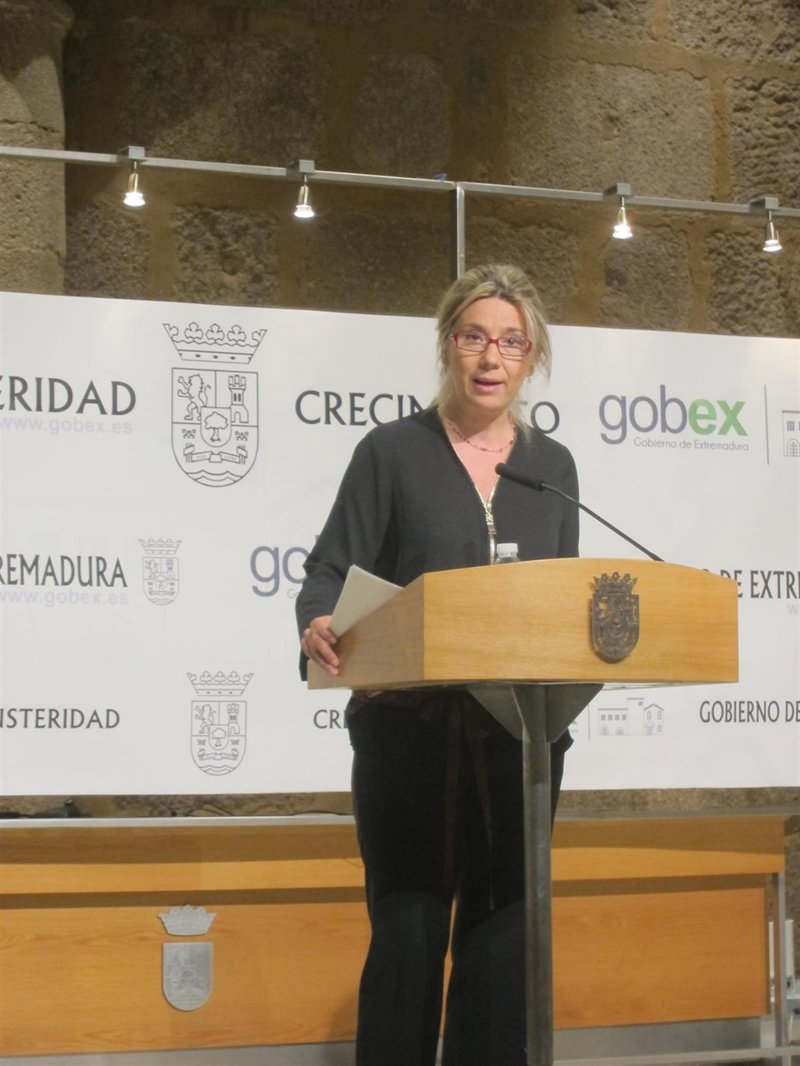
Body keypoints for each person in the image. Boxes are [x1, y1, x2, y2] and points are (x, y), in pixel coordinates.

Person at [296, 263, 580, 1066]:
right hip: (408, 734)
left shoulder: (553, 466)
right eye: (475, 337)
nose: (492, 357)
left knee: (503, 940)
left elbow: (563, 594)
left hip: (516, 737)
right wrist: (318, 619)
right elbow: (329, 571)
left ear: (532, 358)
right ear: (448, 345)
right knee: (410, 932)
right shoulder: (391, 452)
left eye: (512, 343)